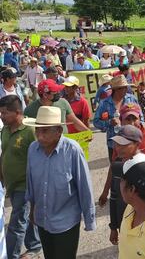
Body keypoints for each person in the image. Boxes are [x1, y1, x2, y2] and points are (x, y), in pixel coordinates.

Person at [24, 106, 96, 259]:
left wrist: (89, 220)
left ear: (58, 131)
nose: (39, 135)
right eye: (37, 130)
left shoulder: (73, 151)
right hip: (42, 220)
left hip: (66, 222)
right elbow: (31, 182)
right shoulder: (32, 149)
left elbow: (84, 187)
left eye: (44, 131)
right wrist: (32, 211)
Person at [0, 96, 41, 259]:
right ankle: (35, 245)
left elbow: (40, 158)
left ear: (17, 112)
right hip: (10, 184)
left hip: (25, 185)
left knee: (17, 221)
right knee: (26, 217)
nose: (1, 116)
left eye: (4, 113)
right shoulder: (5, 130)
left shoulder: (30, 130)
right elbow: (4, 154)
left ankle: (12, 255)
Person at [93, 75, 138, 160]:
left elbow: (141, 118)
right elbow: (96, 122)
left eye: (126, 87)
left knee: (133, 169)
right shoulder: (104, 103)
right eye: (122, 88)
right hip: (114, 145)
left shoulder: (131, 99)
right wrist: (109, 122)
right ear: (115, 90)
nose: (125, 90)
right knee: (116, 170)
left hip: (132, 142)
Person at [24, 79, 88, 134]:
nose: (58, 93)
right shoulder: (30, 110)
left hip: (63, 143)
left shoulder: (63, 103)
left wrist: (87, 131)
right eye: (55, 91)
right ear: (45, 95)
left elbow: (74, 121)